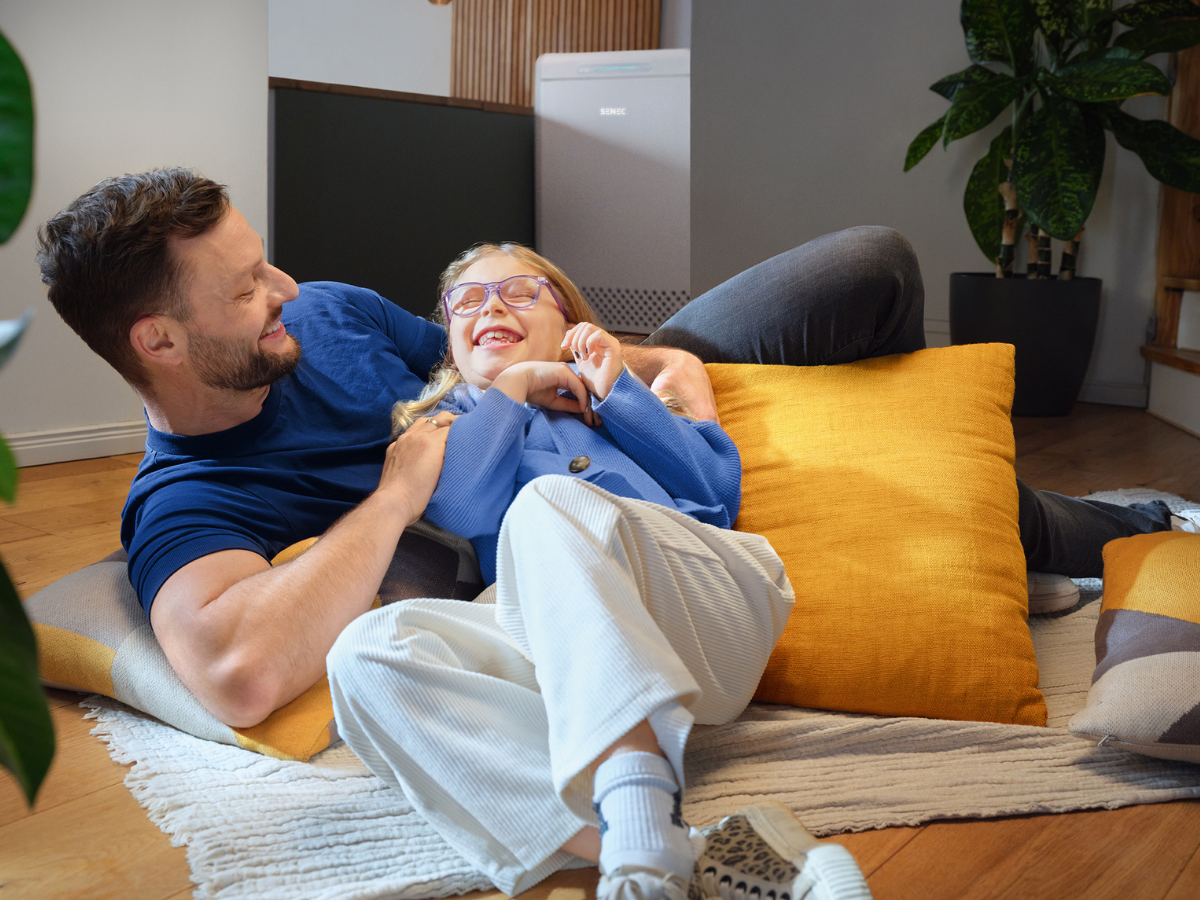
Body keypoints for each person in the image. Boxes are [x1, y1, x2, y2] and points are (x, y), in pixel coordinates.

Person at [35, 167, 1190, 899]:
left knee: (871, 269)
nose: (287, 287)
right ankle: (671, 856)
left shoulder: (326, 313)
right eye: (244, 289)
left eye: (266, 259)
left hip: (596, 441)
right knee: (366, 659)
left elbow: (471, 339)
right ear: (160, 343)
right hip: (539, 545)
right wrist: (398, 492)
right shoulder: (186, 500)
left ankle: (1093, 529)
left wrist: (636, 367)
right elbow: (233, 668)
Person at [326, 241, 870, 899]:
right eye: (468, 300)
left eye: (520, 292)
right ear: (451, 341)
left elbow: (711, 495)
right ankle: (678, 854)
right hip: (559, 650)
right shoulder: (446, 425)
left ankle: (642, 849)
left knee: (547, 503)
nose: (491, 305)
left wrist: (618, 391)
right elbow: (467, 497)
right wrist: (514, 387)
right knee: (364, 654)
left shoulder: (628, 399)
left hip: (701, 606)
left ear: (572, 323)